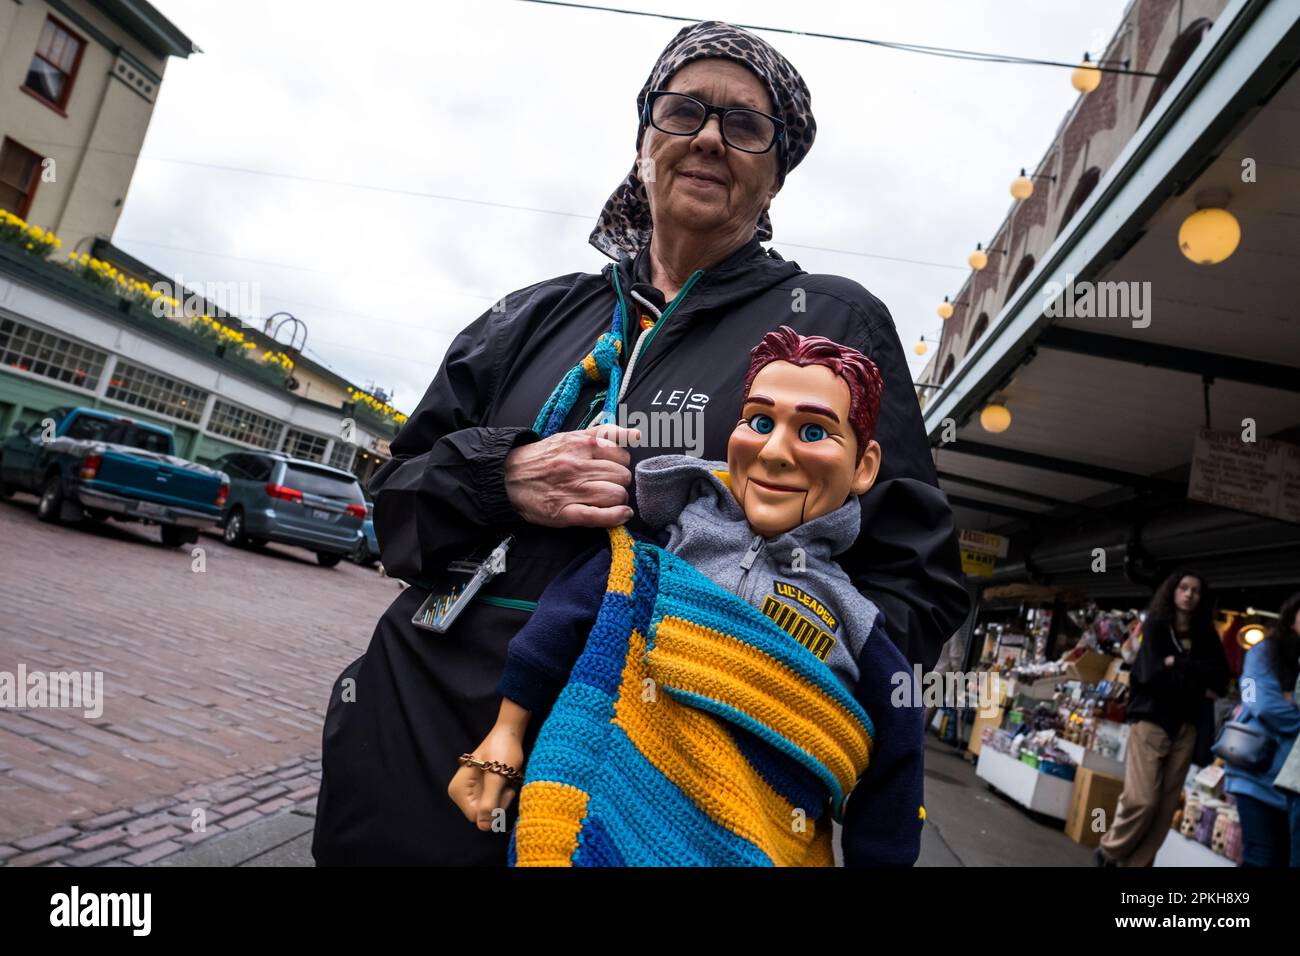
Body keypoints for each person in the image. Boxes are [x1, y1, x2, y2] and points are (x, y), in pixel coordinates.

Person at [312, 20, 968, 866]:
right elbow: (394, 506)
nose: (706, 137)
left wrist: (768, 704)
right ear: (642, 141)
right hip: (415, 742)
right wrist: (501, 477)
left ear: (776, 176)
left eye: (744, 124)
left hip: (656, 793)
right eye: (682, 110)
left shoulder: (830, 325)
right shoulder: (533, 316)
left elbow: (916, 579)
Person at [448, 328, 924, 866]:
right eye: (760, 422)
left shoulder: (857, 623)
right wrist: (504, 738)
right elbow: (557, 626)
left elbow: (896, 768)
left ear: (863, 467)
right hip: (593, 812)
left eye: (813, 431)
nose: (773, 452)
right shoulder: (648, 556)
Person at [1096, 570, 1229, 867]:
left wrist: (1177, 663)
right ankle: (1109, 851)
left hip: (1188, 726)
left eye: (1195, 590)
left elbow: (1220, 680)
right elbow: (1147, 676)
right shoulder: (1156, 627)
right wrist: (1193, 678)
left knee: (1165, 809)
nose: (1189, 595)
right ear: (1172, 590)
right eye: (1183, 587)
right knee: (1142, 800)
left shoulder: (1207, 635)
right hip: (1152, 721)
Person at [1225, 591, 1300, 867]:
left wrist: (1289, 699)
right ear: (1292, 617)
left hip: (1290, 787)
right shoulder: (1264, 650)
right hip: (1256, 774)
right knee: (1262, 857)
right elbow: (1259, 702)